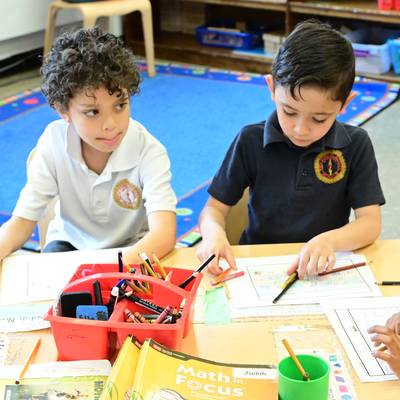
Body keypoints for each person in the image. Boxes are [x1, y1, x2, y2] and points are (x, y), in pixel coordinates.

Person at [197, 20, 385, 277]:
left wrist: (329, 241)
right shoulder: (250, 140)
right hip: (258, 267)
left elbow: (370, 223)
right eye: (288, 111)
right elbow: (214, 210)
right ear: (272, 88)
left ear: (345, 104)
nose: (300, 129)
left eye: (319, 119)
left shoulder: (356, 144)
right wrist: (213, 234)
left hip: (324, 268)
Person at [0, 27, 177, 265]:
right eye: (92, 112)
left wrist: (105, 272)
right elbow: (21, 223)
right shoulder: (53, 142)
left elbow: (164, 235)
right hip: (69, 244)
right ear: (63, 110)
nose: (111, 125)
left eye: (120, 105)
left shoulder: (149, 151)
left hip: (133, 246)